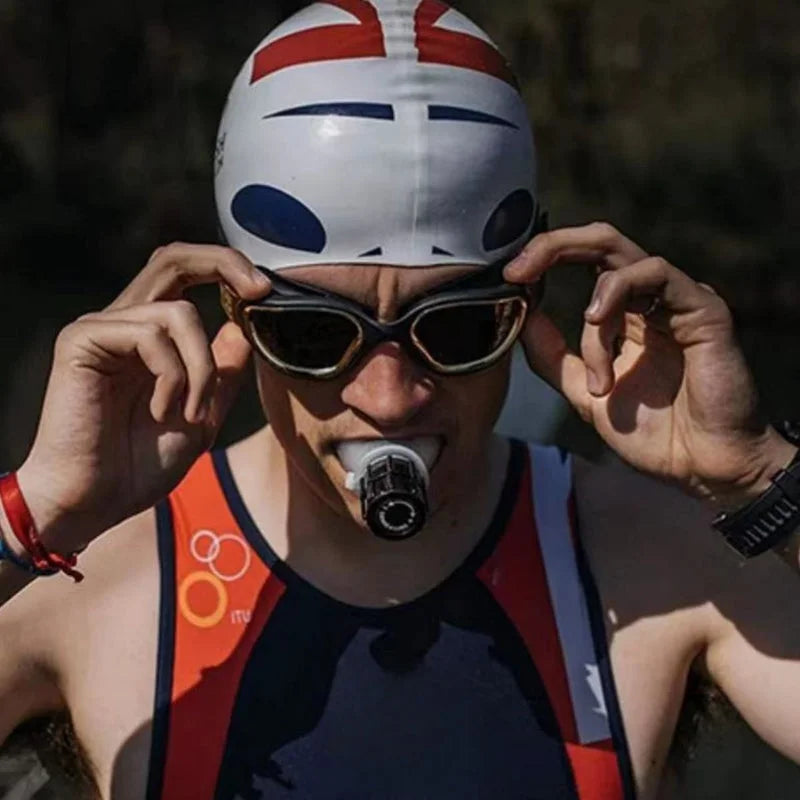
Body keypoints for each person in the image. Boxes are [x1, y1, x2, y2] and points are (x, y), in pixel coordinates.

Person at [1, 1, 800, 798]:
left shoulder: (648, 560)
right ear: (233, 311)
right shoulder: (99, 579)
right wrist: (34, 511)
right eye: (313, 336)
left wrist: (760, 475)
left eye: (456, 331)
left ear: (528, 308)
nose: (389, 398)